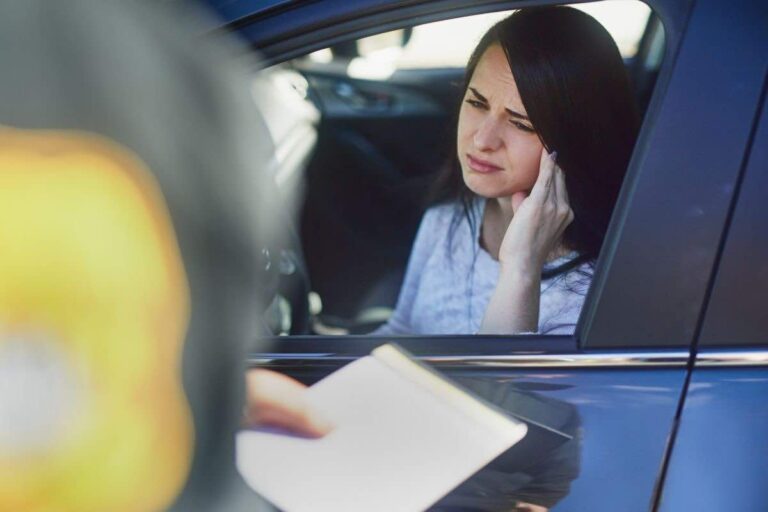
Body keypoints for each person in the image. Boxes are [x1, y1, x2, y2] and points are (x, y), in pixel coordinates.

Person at [375, 6, 639, 336]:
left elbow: (498, 388)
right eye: (476, 103)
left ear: (577, 140)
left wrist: (520, 270)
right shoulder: (447, 220)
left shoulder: (592, 294)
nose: (483, 139)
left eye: (520, 123)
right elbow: (402, 331)